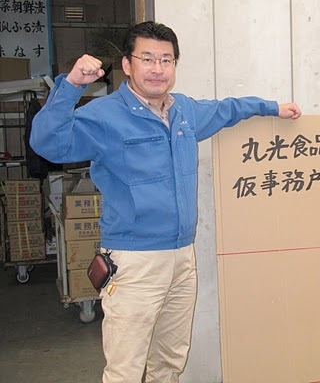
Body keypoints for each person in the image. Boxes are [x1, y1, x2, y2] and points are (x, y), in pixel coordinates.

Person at [30, 21, 301, 383]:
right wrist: (72, 85)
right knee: (126, 369)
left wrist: (272, 108)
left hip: (182, 257)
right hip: (135, 262)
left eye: (166, 60)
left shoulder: (183, 111)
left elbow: (226, 109)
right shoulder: (104, 116)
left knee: (170, 361)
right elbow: (48, 143)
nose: (157, 68)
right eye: (147, 59)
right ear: (127, 65)